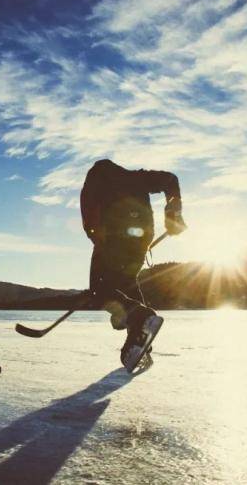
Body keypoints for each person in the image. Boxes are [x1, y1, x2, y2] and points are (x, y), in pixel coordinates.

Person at [80, 159, 186, 372]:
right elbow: (170, 180)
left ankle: (138, 319)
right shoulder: (136, 177)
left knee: (100, 291)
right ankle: (138, 341)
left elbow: (90, 214)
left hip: (113, 237)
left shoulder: (95, 182)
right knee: (125, 286)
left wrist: (97, 238)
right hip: (141, 239)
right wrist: (173, 214)